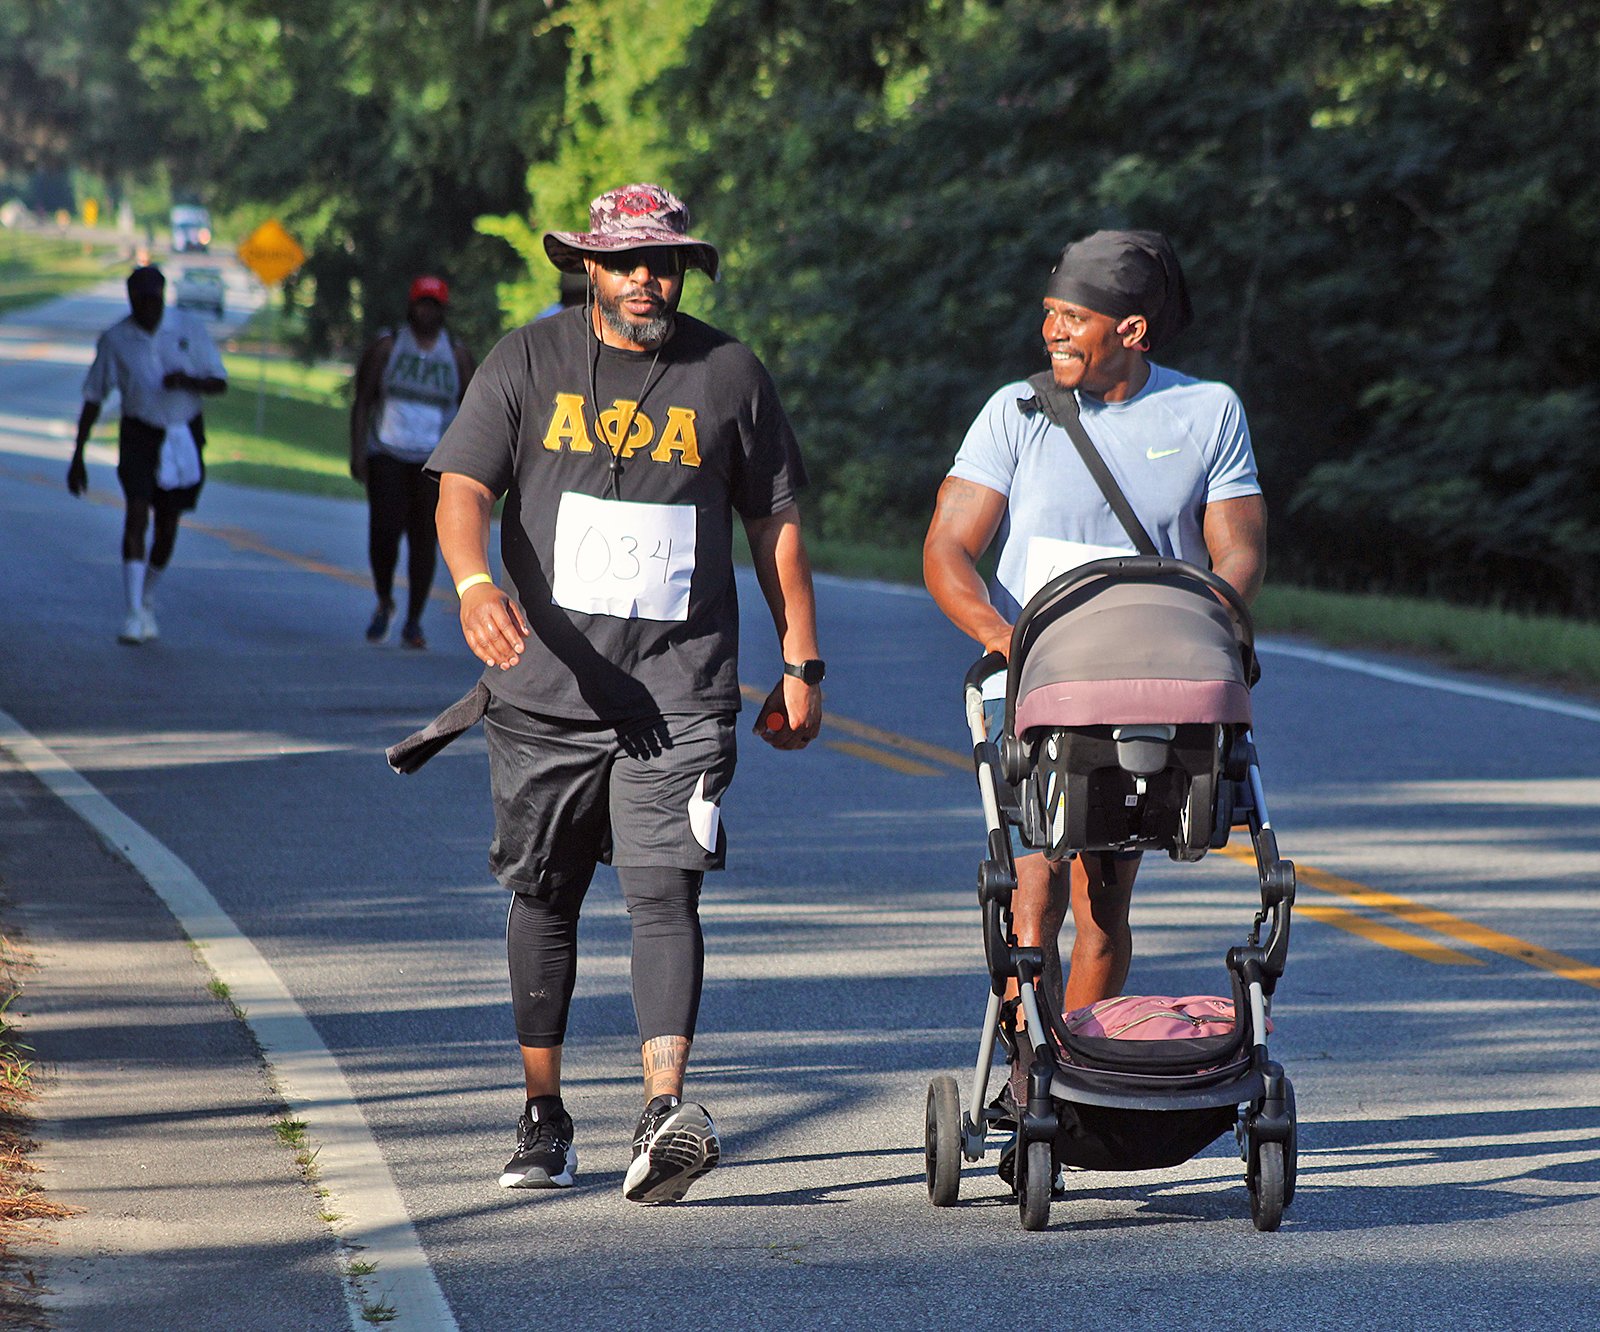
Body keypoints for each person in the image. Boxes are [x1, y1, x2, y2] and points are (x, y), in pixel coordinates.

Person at [424, 183, 823, 1204]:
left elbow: (774, 519)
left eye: (665, 261)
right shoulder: (525, 360)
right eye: (626, 261)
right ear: (588, 267)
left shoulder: (728, 372)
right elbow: (463, 487)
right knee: (545, 894)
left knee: (662, 889)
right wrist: (473, 584)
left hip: (682, 690)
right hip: (542, 693)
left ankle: (661, 1110)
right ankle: (544, 1113)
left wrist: (801, 661)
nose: (647, 277)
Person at [923, 227, 1266, 1048]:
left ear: (1133, 332)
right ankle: (1024, 1062)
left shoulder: (1207, 411)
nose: (1052, 331)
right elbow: (946, 549)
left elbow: (1240, 548)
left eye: (1073, 318)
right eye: (1049, 313)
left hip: (1151, 687)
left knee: (1102, 909)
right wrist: (1004, 637)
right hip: (1038, 682)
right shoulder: (1017, 413)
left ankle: (1080, 1058)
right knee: (1032, 890)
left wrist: (1212, 620)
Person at [67, 264, 227, 644]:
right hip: (139, 432)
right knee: (136, 511)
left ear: (163, 295)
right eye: (141, 302)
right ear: (131, 301)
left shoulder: (188, 329)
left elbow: (220, 381)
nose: (148, 309)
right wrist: (78, 454)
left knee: (167, 523)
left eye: (154, 300)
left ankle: (148, 592)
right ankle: (133, 611)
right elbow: (94, 396)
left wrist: (187, 380)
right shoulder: (116, 339)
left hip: (183, 432)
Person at [349, 275, 476, 649]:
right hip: (387, 453)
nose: (427, 311)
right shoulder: (388, 346)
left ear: (443, 311)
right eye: (422, 303)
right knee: (384, 534)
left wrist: (466, 461)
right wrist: (358, 452)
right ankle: (384, 599)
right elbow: (363, 401)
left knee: (424, 541)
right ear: (411, 306)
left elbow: (474, 409)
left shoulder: (455, 354)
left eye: (434, 305)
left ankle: (414, 621)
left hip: (434, 463)